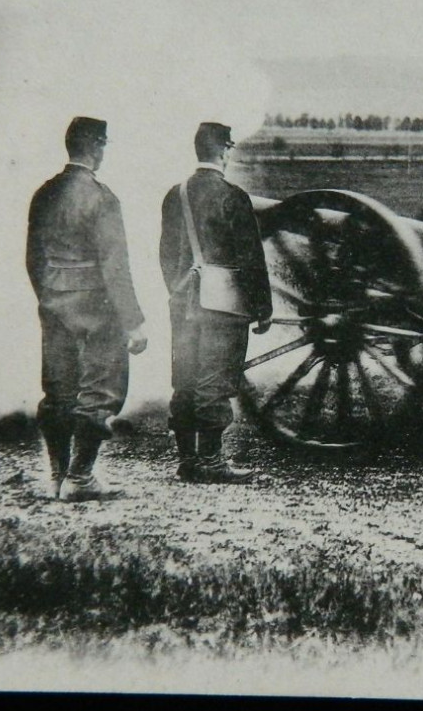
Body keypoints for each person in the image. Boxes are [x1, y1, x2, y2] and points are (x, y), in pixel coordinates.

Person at [25, 116, 147, 501]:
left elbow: (33, 258)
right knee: (100, 389)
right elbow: (115, 266)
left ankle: (58, 475)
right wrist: (134, 321)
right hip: (96, 304)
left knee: (59, 390)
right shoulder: (102, 198)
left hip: (54, 300)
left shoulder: (45, 192)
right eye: (103, 145)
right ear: (95, 147)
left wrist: (48, 294)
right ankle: (80, 478)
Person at [159, 122, 273, 483]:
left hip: (183, 301)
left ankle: (188, 459)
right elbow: (252, 259)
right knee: (216, 378)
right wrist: (262, 308)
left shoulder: (174, 194)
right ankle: (211, 462)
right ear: (224, 151)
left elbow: (164, 254)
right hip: (222, 305)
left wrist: (178, 288)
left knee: (185, 377)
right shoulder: (233, 196)